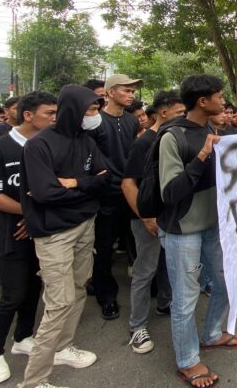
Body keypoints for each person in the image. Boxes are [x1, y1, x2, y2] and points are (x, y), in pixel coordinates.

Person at [18, 84, 111, 388]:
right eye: (91, 110)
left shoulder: (86, 139)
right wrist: (86, 187)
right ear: (73, 110)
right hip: (54, 233)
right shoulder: (39, 145)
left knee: (79, 288)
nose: (94, 116)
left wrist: (74, 184)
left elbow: (105, 178)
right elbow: (44, 194)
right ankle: (34, 380)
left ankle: (63, 348)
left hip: (85, 224)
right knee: (58, 304)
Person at [159, 74, 237, 388]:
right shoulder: (173, 137)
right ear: (202, 101)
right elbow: (170, 192)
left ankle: (212, 334)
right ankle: (188, 360)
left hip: (212, 225)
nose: (224, 101)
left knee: (223, 281)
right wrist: (204, 154)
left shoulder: (209, 128)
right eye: (219, 96)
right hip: (183, 229)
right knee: (185, 297)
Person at [0, 92, 58, 384]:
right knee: (12, 294)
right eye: (49, 113)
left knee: (34, 288)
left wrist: (37, 219)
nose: (55, 118)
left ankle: (23, 337)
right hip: (10, 234)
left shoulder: (49, 145)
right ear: (28, 115)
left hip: (42, 232)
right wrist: (29, 214)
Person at [122, 90, 185, 355]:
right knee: (145, 270)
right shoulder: (144, 142)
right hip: (147, 219)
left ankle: (166, 303)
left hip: (172, 217)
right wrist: (145, 216)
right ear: (163, 112)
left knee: (169, 267)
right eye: (180, 112)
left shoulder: (176, 137)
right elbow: (128, 183)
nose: (184, 117)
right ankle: (137, 327)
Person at [91, 74, 143, 321]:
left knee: (137, 241)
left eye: (133, 91)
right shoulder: (95, 121)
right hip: (106, 194)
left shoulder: (133, 122)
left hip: (130, 189)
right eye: (126, 90)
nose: (131, 94)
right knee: (104, 248)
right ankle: (106, 295)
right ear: (110, 93)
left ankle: (148, 288)